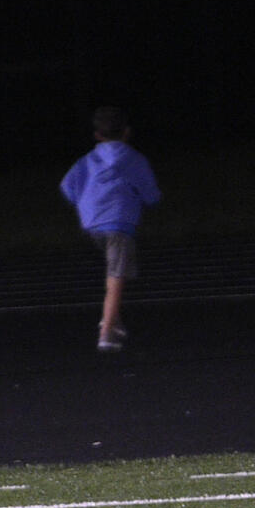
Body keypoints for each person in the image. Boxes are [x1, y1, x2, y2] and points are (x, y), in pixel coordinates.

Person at [60, 105, 161, 352]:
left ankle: (115, 321)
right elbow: (150, 193)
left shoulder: (87, 160)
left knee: (117, 268)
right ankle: (106, 331)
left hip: (93, 224)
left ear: (98, 135)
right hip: (118, 222)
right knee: (116, 276)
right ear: (126, 132)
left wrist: (85, 203)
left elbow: (68, 185)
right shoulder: (133, 159)